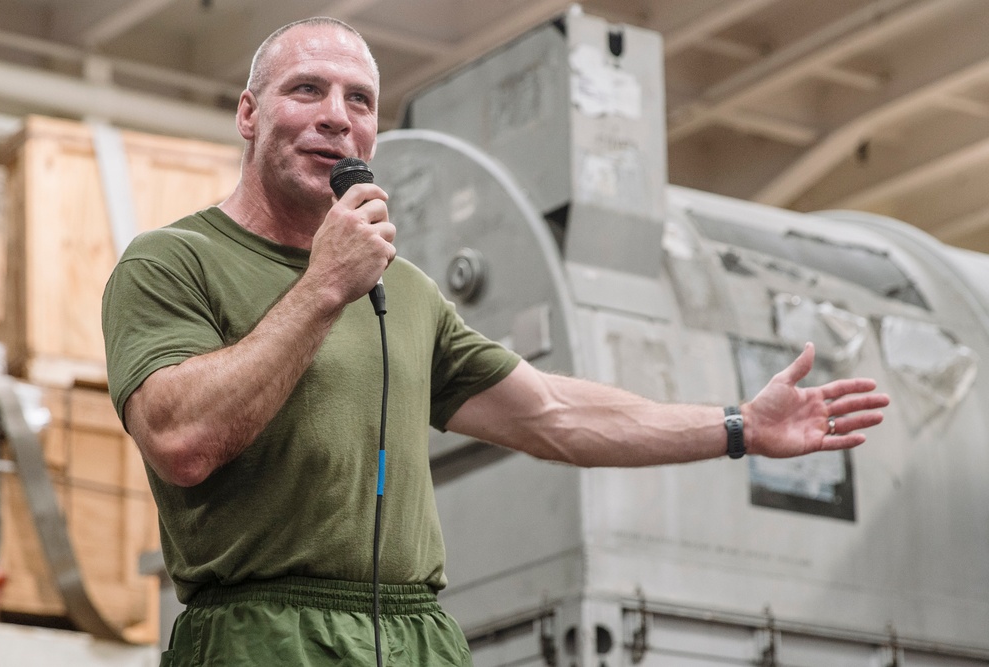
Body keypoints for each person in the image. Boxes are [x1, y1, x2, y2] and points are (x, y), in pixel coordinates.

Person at [101, 16, 890, 667]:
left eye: (361, 100)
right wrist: (320, 287)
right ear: (249, 112)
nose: (338, 115)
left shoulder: (402, 291)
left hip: (414, 636)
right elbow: (181, 439)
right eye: (306, 89)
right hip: (259, 638)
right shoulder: (173, 262)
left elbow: (550, 412)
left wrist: (735, 426)